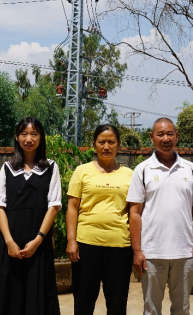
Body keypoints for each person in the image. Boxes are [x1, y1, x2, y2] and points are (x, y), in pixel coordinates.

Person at [127, 117, 193, 315]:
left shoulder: (190, 169)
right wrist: (137, 251)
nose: (165, 138)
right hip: (152, 253)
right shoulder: (142, 170)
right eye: (160, 134)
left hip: (184, 252)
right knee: (151, 309)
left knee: (182, 309)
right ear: (151, 137)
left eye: (170, 134)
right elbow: (134, 213)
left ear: (177, 136)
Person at [0, 117, 61, 315]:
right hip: (9, 242)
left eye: (34, 134)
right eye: (24, 134)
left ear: (41, 138)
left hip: (38, 243)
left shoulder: (51, 167)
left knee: (38, 293)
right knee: (9, 294)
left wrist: (38, 240)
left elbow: (54, 206)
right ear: (17, 137)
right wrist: (9, 242)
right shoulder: (7, 168)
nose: (28, 139)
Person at [66, 124, 133, 315]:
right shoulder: (82, 171)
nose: (106, 146)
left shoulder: (129, 174)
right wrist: (71, 241)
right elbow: (72, 207)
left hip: (120, 245)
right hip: (86, 244)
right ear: (94, 145)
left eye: (111, 142)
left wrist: (138, 247)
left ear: (118, 145)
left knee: (117, 304)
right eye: (101, 142)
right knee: (83, 302)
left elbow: (135, 212)